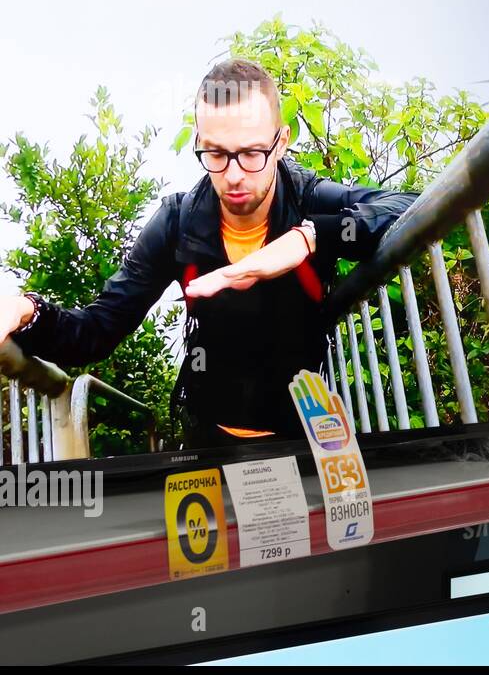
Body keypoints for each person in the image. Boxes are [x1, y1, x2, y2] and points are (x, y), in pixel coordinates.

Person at [0, 59, 416, 448]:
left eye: (252, 153)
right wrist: (25, 311)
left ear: (281, 142)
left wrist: (308, 237)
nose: (233, 176)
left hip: (300, 434)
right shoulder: (177, 222)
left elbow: (409, 204)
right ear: (200, 142)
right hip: (208, 434)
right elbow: (96, 330)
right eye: (216, 154)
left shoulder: (309, 199)